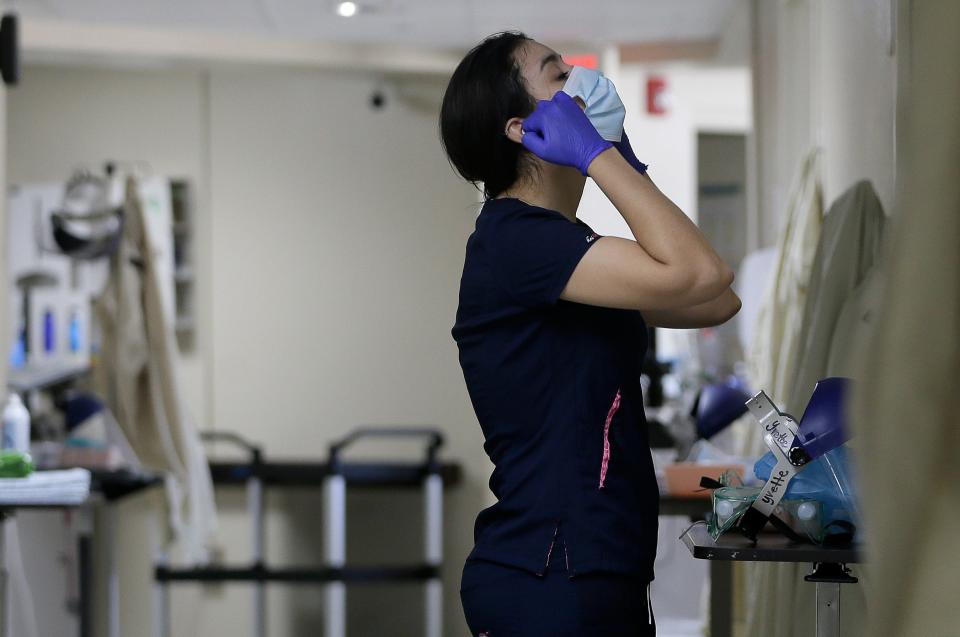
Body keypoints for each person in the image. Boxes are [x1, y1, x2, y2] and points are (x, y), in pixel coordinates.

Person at [441, 31, 741, 636]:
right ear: (522, 129)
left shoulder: (565, 251)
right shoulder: (517, 240)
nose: (582, 81)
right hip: (550, 573)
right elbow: (703, 271)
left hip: (594, 569)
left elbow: (715, 300)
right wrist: (601, 157)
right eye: (559, 76)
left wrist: (623, 159)